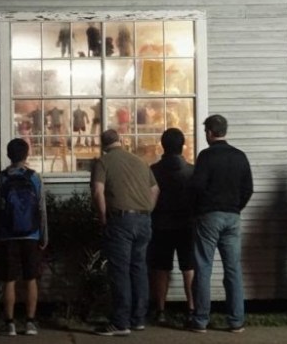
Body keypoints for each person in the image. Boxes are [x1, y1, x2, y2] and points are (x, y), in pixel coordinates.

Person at [188, 114, 253, 334]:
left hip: (209, 216)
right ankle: (236, 321)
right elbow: (248, 189)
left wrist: (200, 209)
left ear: (209, 132)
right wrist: (236, 207)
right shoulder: (239, 156)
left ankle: (200, 320)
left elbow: (196, 186)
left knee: (204, 267)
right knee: (233, 268)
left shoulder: (206, 156)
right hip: (233, 217)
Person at [91, 129, 158, 336]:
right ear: (120, 141)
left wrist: (102, 217)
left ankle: (120, 322)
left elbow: (97, 191)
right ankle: (138, 319)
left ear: (103, 144)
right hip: (144, 219)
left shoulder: (103, 162)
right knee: (138, 269)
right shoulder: (139, 161)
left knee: (119, 271)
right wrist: (147, 209)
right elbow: (155, 189)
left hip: (121, 220)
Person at [0, 138, 48, 337]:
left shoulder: (1, 178)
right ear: (26, 154)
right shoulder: (34, 177)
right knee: (31, 279)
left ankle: (10, 325)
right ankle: (30, 323)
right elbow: (41, 209)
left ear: (8, 155)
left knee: (9, 280)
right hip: (31, 234)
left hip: (7, 235)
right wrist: (43, 236)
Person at [148, 128, 196, 325]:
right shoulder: (192, 171)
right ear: (182, 145)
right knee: (189, 267)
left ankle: (160, 310)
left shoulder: (153, 170)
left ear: (162, 145)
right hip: (187, 224)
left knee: (160, 268)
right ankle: (192, 308)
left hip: (160, 224)